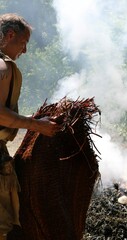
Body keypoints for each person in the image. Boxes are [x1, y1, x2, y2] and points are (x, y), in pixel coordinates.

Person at [0, 13, 61, 239]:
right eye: (23, 43)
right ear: (10, 35)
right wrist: (38, 126)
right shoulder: (3, 67)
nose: (24, 51)